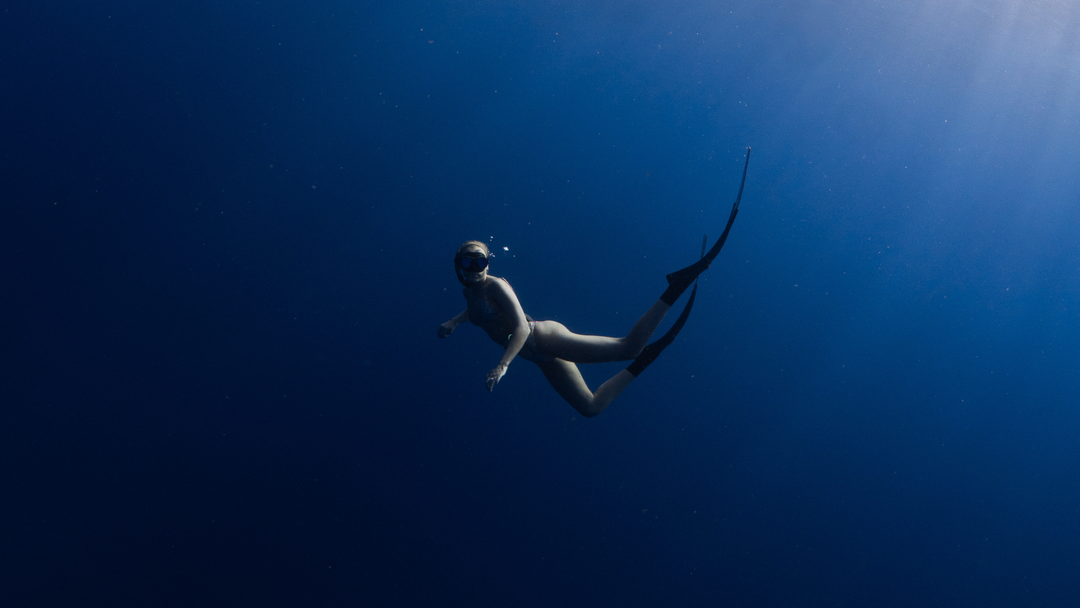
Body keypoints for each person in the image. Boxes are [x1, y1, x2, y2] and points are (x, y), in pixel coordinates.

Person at [438, 149, 750, 417]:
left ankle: (676, 285)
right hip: (540, 358)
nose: (475, 267)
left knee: (628, 346)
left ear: (489, 263)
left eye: (480, 260)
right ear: (459, 266)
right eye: (468, 262)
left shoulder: (496, 286)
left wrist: (503, 366)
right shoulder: (471, 292)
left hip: (541, 338)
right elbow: (477, 311)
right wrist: (454, 321)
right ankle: (648, 358)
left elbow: (519, 327)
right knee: (591, 407)